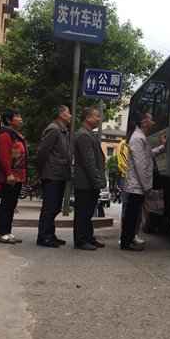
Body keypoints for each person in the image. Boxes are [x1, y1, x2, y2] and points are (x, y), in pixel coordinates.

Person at [121, 112, 169, 251]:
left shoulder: (141, 137)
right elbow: (140, 164)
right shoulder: (138, 138)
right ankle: (126, 243)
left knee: (133, 213)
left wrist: (162, 147)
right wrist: (147, 185)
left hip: (138, 185)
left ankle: (128, 241)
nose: (153, 123)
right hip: (137, 185)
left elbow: (148, 155)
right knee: (131, 214)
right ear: (144, 123)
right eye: (151, 120)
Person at [35, 105, 71, 248]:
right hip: (52, 174)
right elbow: (42, 151)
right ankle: (44, 236)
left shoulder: (63, 130)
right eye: (68, 113)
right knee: (49, 207)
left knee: (55, 207)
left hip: (59, 174)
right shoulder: (53, 129)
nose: (70, 116)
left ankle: (50, 234)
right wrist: (38, 169)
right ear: (61, 114)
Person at [73, 107, 107, 251]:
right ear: (88, 118)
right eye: (97, 116)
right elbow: (89, 162)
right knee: (83, 213)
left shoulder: (88, 133)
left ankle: (88, 237)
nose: (99, 119)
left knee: (87, 213)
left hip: (89, 183)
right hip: (85, 183)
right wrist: (98, 181)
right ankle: (81, 240)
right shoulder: (83, 135)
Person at [0, 108, 27, 244]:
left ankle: (7, 232)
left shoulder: (15, 134)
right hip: (10, 177)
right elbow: (3, 156)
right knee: (6, 204)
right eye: (17, 117)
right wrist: (9, 174)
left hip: (17, 176)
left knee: (11, 204)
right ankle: (1, 233)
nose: (20, 119)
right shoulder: (5, 135)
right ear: (8, 120)